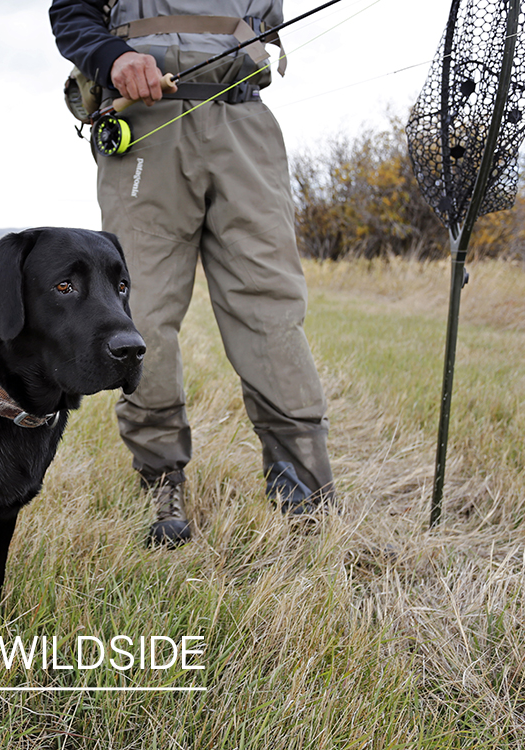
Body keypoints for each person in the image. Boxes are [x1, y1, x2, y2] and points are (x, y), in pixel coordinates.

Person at [50, 0, 334, 547]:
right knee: (140, 316)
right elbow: (71, 10)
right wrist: (110, 55)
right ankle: (161, 481)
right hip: (144, 126)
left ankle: (306, 493)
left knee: (271, 307)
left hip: (245, 123)